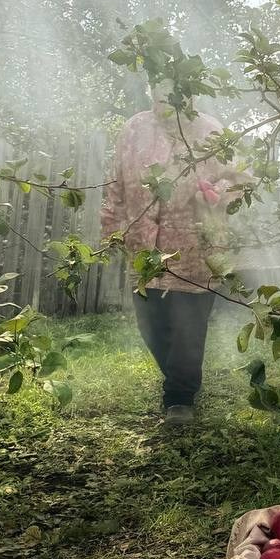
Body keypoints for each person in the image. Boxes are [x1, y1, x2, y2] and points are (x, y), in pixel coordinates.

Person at [100, 85, 246, 425]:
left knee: (187, 326)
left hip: (194, 249)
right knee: (150, 324)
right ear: (153, 89)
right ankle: (178, 381)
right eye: (162, 87)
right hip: (144, 249)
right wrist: (111, 228)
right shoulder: (134, 128)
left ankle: (180, 397)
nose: (170, 96)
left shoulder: (211, 130)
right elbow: (116, 183)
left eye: (179, 89)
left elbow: (241, 179)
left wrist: (217, 193)